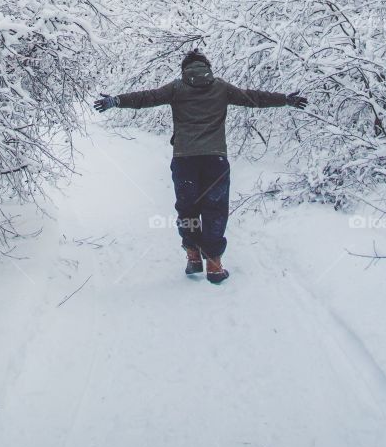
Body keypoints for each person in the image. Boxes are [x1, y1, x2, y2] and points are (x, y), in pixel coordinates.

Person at [94, 50, 307, 284]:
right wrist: (285, 99)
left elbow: (148, 98)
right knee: (215, 209)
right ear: (208, 67)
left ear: (184, 69)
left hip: (185, 159)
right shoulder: (221, 87)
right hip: (215, 160)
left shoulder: (177, 87)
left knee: (187, 208)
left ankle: (193, 256)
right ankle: (214, 266)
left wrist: (116, 101)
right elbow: (252, 98)